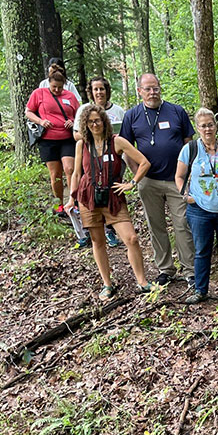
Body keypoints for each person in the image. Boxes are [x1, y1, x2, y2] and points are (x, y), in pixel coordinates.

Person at [65, 105, 154, 301]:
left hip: (113, 195)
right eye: (90, 122)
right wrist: (72, 197)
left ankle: (142, 281)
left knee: (131, 238)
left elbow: (144, 162)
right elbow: (77, 173)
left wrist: (131, 183)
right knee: (98, 241)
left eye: (97, 120)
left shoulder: (117, 142)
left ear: (104, 121)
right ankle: (107, 284)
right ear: (85, 125)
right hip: (88, 197)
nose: (94, 124)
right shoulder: (82, 145)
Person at [119, 73, 196, 286]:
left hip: (176, 180)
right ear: (139, 91)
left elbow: (189, 144)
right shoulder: (132, 115)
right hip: (148, 181)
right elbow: (125, 149)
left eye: (155, 88)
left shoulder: (176, 111)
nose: (152, 92)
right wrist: (137, 176)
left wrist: (187, 174)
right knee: (156, 225)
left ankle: (190, 270)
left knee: (182, 224)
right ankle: (166, 269)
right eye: (148, 89)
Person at [174, 108, 218, 305]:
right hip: (199, 210)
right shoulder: (190, 150)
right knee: (202, 250)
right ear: (197, 128)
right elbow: (179, 177)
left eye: (211, 124)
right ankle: (200, 290)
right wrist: (186, 196)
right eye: (203, 125)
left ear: (216, 126)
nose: (208, 129)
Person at [25, 70, 84, 246]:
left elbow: (79, 115)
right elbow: (28, 112)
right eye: (54, 87)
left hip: (67, 138)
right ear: (48, 83)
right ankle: (58, 204)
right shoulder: (39, 93)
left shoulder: (70, 96)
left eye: (60, 87)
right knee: (55, 173)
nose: (57, 90)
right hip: (47, 140)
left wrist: (73, 122)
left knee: (70, 169)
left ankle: (73, 201)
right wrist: (41, 121)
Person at [74, 77, 126, 248]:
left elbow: (124, 136)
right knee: (93, 191)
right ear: (91, 92)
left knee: (111, 193)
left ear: (107, 90)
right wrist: (96, 137)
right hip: (92, 160)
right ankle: (96, 229)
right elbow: (76, 134)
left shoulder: (118, 110)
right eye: (95, 89)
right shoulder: (84, 110)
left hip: (114, 160)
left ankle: (111, 229)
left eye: (102, 89)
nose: (99, 92)